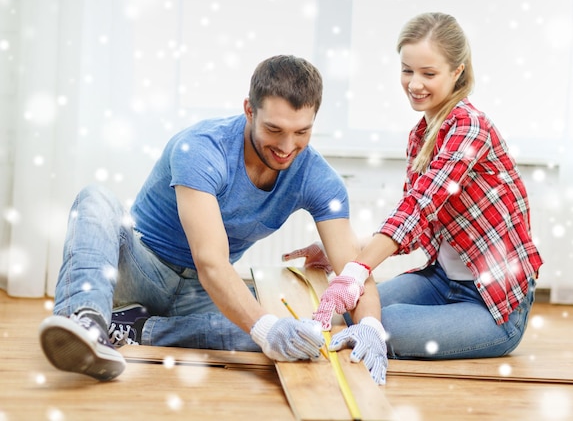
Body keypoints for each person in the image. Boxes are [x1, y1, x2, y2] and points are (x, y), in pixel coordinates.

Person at [38, 54, 374, 382]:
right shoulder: (200, 148)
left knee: (291, 334)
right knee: (94, 199)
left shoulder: (319, 178)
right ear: (249, 110)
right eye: (274, 129)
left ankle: (134, 329)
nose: (287, 146)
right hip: (144, 269)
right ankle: (85, 321)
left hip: (201, 295)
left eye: (302, 132)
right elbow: (210, 261)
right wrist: (266, 329)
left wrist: (370, 328)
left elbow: (355, 271)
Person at [292, 12, 543, 363]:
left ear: (457, 72)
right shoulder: (422, 134)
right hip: (443, 282)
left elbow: (421, 205)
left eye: (429, 73)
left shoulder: (470, 127)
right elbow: (415, 222)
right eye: (407, 70)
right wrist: (341, 250)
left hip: (492, 304)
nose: (414, 83)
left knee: (382, 324)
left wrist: (355, 269)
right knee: (361, 311)